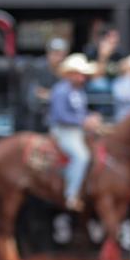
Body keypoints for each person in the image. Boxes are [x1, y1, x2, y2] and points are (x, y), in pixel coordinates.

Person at [49, 53, 99, 213]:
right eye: (78, 74)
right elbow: (60, 115)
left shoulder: (78, 92)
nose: (82, 77)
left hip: (76, 130)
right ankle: (71, 194)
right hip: (63, 130)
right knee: (81, 156)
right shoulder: (60, 90)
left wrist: (90, 118)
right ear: (69, 74)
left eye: (83, 74)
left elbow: (80, 112)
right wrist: (84, 121)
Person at [20, 37, 69, 130]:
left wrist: (51, 95)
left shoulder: (68, 70)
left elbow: (70, 96)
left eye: (61, 54)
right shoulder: (37, 67)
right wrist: (56, 96)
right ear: (48, 53)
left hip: (61, 117)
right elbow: (33, 96)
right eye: (55, 53)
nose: (58, 57)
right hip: (39, 116)